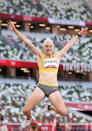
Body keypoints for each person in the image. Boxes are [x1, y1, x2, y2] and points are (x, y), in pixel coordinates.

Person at [7, 21, 88, 128]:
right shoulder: (40, 55)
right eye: (46, 46)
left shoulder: (57, 56)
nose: (49, 48)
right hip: (41, 87)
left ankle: (49, 107)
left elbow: (69, 45)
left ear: (53, 47)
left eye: (50, 46)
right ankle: (29, 118)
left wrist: (78, 34)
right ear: (43, 48)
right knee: (25, 110)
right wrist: (15, 30)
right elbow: (27, 42)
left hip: (54, 89)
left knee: (63, 112)